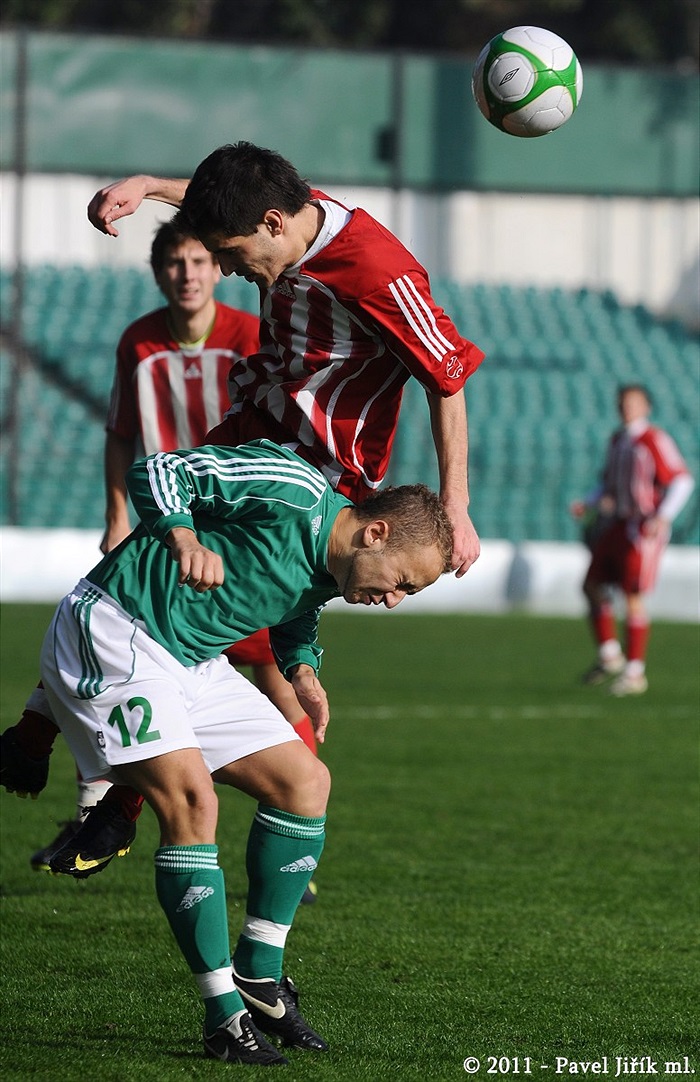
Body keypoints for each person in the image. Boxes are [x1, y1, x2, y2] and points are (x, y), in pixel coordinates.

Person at [2, 140, 485, 870]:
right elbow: (234, 195)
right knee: (136, 587)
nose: (227, 270)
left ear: (271, 225)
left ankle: (128, 803)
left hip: (322, 472)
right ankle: (54, 746)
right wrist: (149, 185)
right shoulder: (284, 210)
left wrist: (456, 509)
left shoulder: (377, 269)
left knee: (221, 628)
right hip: (257, 428)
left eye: (229, 255)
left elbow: (446, 377)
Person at [38, 437, 454, 1064]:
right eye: (402, 583)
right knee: (191, 804)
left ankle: (259, 973)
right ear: (376, 534)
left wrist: (303, 670)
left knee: (305, 783)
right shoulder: (291, 487)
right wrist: (184, 538)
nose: (394, 599)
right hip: (120, 629)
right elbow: (159, 469)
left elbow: (295, 607)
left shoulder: (332, 567)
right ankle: (223, 1015)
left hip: (192, 658)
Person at [13, 220, 318, 877]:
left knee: (265, 667)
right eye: (176, 263)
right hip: (163, 521)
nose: (188, 273)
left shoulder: (249, 336)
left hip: (230, 529)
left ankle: (293, 824)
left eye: (200, 261)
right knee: (109, 646)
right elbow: (122, 432)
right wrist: (117, 511)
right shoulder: (139, 340)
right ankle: (96, 809)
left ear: (218, 269)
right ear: (160, 274)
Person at [570, 384, 694, 695]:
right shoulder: (618, 440)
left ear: (646, 407)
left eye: (634, 402)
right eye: (624, 402)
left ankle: (635, 673)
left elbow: (682, 480)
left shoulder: (653, 439)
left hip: (642, 529)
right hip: (617, 523)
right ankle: (610, 655)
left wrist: (663, 516)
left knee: (632, 596)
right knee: (592, 585)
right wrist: (589, 501)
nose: (627, 407)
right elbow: (608, 483)